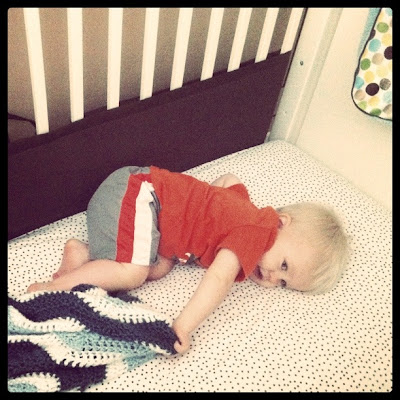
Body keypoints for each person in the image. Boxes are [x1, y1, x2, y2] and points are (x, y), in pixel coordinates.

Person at [27, 166, 350, 354]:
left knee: (159, 267)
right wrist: (182, 327)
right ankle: (53, 288)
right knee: (132, 272)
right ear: (280, 222)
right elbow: (219, 278)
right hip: (139, 191)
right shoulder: (257, 233)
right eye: (284, 266)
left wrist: (199, 210)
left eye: (283, 283)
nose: (271, 277)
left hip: (139, 198)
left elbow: (227, 179)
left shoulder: (244, 208)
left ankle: (82, 254)